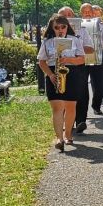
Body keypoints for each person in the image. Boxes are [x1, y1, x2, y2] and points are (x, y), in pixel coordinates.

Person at [36, 14, 86, 151]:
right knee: (57, 108)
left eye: (63, 27)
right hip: (54, 73)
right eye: (57, 27)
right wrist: (50, 75)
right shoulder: (47, 42)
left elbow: (82, 59)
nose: (60, 30)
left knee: (70, 106)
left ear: (67, 27)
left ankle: (68, 133)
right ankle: (59, 138)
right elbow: (41, 61)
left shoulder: (74, 40)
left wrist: (68, 60)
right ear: (52, 28)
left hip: (71, 72)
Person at [59, 6, 95, 133]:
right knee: (63, 93)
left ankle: (80, 121)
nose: (68, 17)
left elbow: (90, 49)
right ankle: (66, 122)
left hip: (79, 65)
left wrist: (77, 46)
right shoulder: (55, 30)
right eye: (64, 15)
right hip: (61, 66)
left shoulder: (82, 30)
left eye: (70, 14)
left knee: (81, 92)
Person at [81, 3, 103, 114]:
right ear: (81, 13)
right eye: (85, 12)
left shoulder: (101, 24)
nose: (87, 14)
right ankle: (82, 111)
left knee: (99, 85)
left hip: (98, 57)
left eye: (89, 11)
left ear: (93, 13)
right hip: (81, 59)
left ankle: (96, 106)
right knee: (82, 85)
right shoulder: (78, 25)